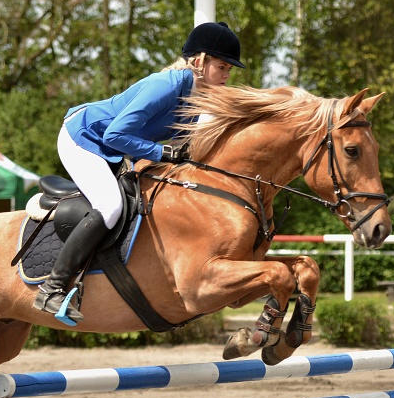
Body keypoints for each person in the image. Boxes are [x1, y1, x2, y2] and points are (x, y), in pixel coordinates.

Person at [34, 21, 245, 323]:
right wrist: (161, 152)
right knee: (111, 206)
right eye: (222, 67)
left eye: (229, 70)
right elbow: (114, 136)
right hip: (83, 137)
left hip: (114, 147)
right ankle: (52, 287)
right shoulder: (167, 85)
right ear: (199, 61)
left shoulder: (197, 99)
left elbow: (182, 147)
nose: (227, 76)